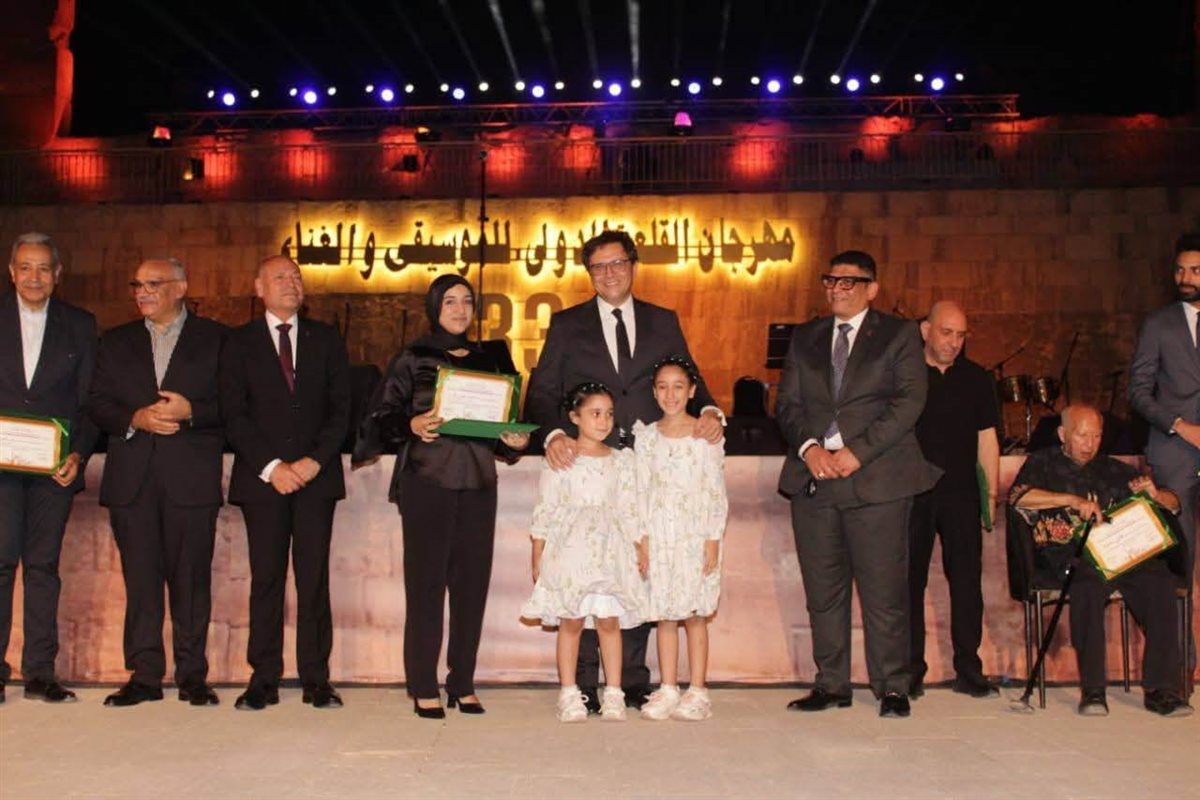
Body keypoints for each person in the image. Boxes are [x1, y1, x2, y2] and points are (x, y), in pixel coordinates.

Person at [524, 228, 723, 711]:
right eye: (599, 266)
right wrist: (553, 436)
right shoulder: (567, 324)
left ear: (633, 265)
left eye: (617, 263)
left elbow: (690, 376)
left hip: (648, 465)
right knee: (586, 571)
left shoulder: (662, 320)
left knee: (635, 569)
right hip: (588, 463)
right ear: (589, 273)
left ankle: (632, 679)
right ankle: (583, 683)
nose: (609, 273)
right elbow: (543, 390)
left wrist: (710, 411)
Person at [354, 274, 529, 719]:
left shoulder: (492, 358)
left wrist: (514, 441)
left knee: (472, 588)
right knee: (426, 587)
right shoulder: (413, 357)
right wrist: (410, 424)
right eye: (449, 301)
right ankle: (423, 685)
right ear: (435, 307)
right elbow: (381, 415)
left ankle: (462, 682)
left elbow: (504, 430)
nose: (459, 309)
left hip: (478, 483)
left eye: (466, 301)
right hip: (427, 482)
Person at [776, 250, 940, 718]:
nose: (838, 289)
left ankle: (892, 686)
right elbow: (787, 404)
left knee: (884, 592)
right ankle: (831, 684)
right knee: (823, 593)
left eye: (849, 281)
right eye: (831, 280)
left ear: (872, 289)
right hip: (815, 481)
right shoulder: (806, 336)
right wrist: (810, 449)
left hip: (877, 481)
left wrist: (857, 452)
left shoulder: (898, 334)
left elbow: (910, 400)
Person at [88, 257, 227, 707]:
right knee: (141, 583)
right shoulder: (116, 341)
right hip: (132, 482)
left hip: (191, 480)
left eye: (153, 283)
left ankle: (193, 676)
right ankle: (144, 675)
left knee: (191, 584)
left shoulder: (218, 339)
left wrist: (194, 412)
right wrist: (134, 418)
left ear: (181, 287)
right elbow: (96, 402)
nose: (142, 292)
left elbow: (238, 403)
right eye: (137, 285)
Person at [220, 255, 350, 710]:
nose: (291, 283)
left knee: (313, 579)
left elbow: (342, 409)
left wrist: (314, 462)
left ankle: (317, 678)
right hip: (264, 482)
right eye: (280, 277)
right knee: (267, 579)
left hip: (316, 478)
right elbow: (233, 413)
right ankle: (263, 678)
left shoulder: (326, 338)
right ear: (258, 288)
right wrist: (272, 467)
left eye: (296, 276)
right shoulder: (237, 342)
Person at [1009, 404, 1192, 716]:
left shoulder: (1113, 469)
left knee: (1159, 582)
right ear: (1063, 434)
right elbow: (1018, 498)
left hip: (1121, 553)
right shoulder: (1042, 463)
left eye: (1096, 436)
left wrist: (1155, 495)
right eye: (1082, 436)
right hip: (1073, 555)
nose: (1090, 444)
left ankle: (1161, 691)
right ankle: (1093, 690)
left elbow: (1174, 503)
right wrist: (1071, 500)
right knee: (1088, 585)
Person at [0, 232, 98, 704]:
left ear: (57, 275)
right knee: (0, 565)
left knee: (43, 567)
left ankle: (40, 672)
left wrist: (78, 453)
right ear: (11, 272)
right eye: (25, 267)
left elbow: (90, 400)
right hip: (0, 468)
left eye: (43, 268)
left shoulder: (80, 324)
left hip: (55, 468)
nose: (34, 277)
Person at [520, 383, 646, 723]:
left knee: (608, 621)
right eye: (595, 413)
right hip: (571, 552)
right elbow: (546, 507)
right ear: (575, 417)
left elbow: (630, 508)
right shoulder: (562, 459)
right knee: (572, 620)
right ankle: (569, 692)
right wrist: (538, 551)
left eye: (609, 414)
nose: (603, 421)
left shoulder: (621, 460)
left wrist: (639, 545)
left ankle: (614, 692)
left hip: (609, 552)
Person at [907, 301, 1000, 699]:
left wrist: (990, 495)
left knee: (966, 583)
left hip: (961, 494)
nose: (954, 342)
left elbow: (987, 439)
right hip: (912, 493)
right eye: (947, 333)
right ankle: (910, 669)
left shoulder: (977, 378)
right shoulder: (905, 374)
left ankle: (969, 669)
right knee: (908, 584)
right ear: (925, 330)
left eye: (961, 335)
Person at [634, 357, 728, 721]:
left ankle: (698, 689)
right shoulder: (646, 437)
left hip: (694, 534)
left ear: (691, 391)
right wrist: (641, 538)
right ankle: (669, 687)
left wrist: (712, 539)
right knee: (665, 615)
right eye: (662, 387)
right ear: (654, 392)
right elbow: (640, 491)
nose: (670, 394)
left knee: (695, 614)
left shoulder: (705, 436)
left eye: (678, 387)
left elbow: (715, 491)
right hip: (659, 535)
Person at [1129, 231, 1200, 670]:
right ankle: (1179, 666)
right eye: (1180, 270)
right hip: (1175, 453)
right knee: (1179, 562)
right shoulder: (1158, 324)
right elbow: (1138, 391)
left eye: (1194, 270)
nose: (1185, 278)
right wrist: (1180, 426)